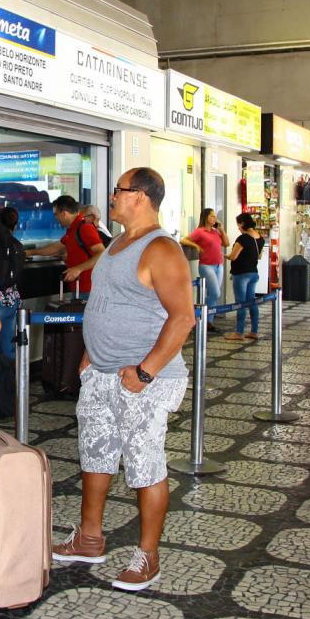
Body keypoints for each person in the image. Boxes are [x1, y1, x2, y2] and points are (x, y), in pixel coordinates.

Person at [52, 168, 195, 591]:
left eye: (119, 189)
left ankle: (147, 556)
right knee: (95, 455)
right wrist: (89, 357)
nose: (112, 195)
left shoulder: (161, 249)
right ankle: (90, 537)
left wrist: (146, 370)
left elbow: (183, 317)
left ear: (142, 197)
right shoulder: (118, 242)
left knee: (144, 462)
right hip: (103, 372)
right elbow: (106, 300)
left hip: (143, 378)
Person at [27, 194, 104, 291]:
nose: (55, 218)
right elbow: (56, 248)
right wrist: (30, 252)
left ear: (64, 213)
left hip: (89, 288)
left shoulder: (85, 227)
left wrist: (78, 269)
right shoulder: (73, 229)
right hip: (77, 287)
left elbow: (101, 253)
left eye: (56, 214)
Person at [0, 203, 26, 361]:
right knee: (9, 347)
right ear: (15, 225)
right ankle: (9, 383)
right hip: (12, 301)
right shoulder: (17, 246)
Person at [181, 208, 227, 328]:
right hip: (206, 266)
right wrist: (196, 245)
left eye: (215, 217)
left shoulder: (216, 232)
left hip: (219, 265)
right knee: (215, 293)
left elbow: (226, 243)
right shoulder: (199, 231)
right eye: (212, 216)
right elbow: (184, 240)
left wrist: (221, 229)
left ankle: (208, 321)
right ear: (206, 217)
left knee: (214, 293)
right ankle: (197, 314)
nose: (214, 219)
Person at [224, 213, 265, 341]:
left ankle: (239, 332)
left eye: (238, 224)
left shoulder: (242, 239)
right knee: (251, 302)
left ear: (242, 223)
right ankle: (254, 331)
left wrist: (223, 255)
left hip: (241, 274)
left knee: (240, 303)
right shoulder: (260, 238)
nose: (238, 227)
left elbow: (233, 256)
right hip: (253, 273)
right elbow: (259, 256)